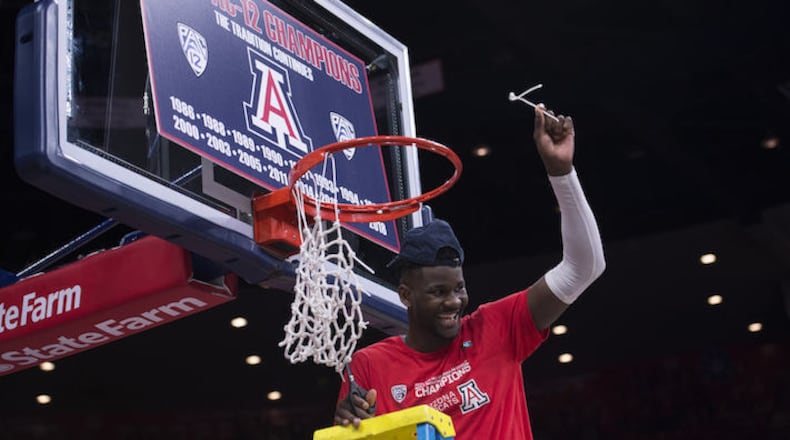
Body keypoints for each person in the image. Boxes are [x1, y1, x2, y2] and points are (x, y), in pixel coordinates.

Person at [332, 104, 606, 438]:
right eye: (438, 292)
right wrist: (350, 429)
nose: (454, 301)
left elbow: (584, 267)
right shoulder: (370, 365)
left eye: (458, 288)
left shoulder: (495, 329)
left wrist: (561, 172)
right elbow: (355, 431)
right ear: (406, 295)